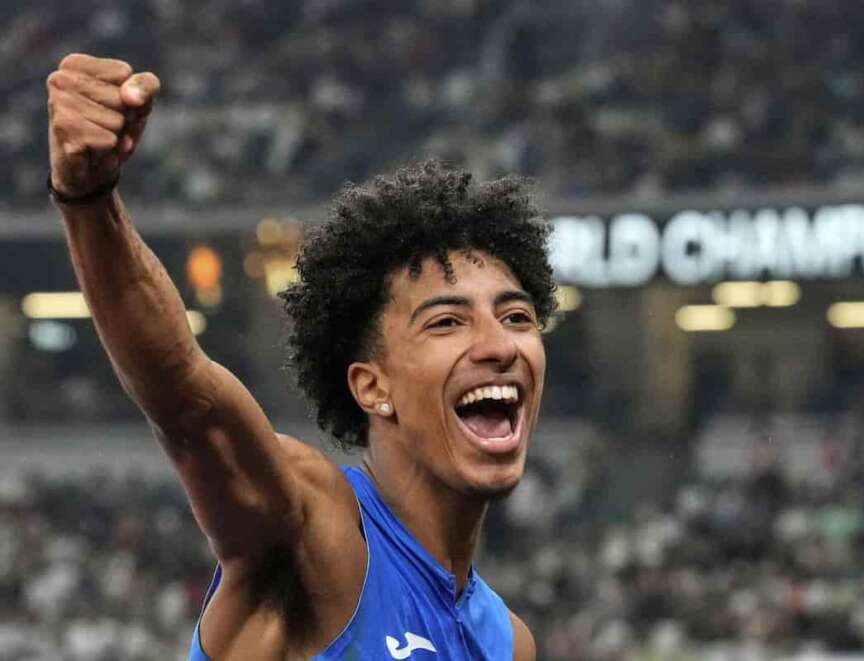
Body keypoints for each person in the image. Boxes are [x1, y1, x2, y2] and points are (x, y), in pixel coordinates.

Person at [46, 53, 557, 660]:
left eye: (516, 316)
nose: (499, 345)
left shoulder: (508, 642)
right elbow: (186, 392)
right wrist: (89, 200)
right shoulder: (313, 531)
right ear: (372, 387)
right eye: (447, 321)